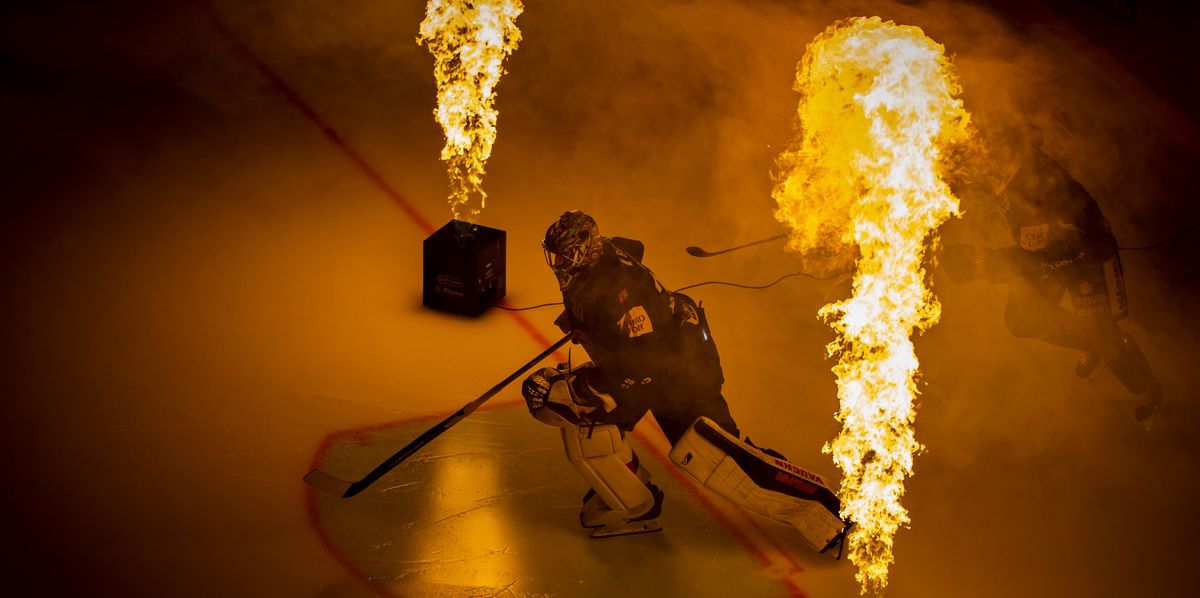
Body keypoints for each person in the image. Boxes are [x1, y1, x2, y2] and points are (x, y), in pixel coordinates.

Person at [521, 210, 848, 551]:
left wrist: (590, 381)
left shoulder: (619, 290)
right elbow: (633, 248)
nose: (556, 261)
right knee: (594, 422)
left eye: (563, 253)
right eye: (554, 252)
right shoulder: (598, 261)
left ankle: (828, 512)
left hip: (679, 372)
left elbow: (644, 356)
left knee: (724, 461)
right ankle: (632, 500)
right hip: (652, 369)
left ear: (584, 249)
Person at [943, 135, 1162, 422]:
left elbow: (1033, 258)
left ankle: (1146, 388)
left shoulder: (1034, 186)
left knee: (1104, 335)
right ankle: (1090, 341)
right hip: (1046, 252)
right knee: (1022, 317)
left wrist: (980, 263)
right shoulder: (998, 167)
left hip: (1083, 254)